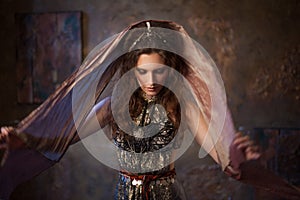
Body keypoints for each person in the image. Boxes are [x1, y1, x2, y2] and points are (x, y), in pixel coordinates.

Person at [0, 20, 299, 200]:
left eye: (160, 72)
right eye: (144, 73)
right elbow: (65, 136)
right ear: (133, 71)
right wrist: (23, 140)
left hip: (167, 195)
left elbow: (219, 155)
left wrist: (235, 160)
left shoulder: (183, 106)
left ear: (171, 70)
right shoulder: (111, 107)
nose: (152, 81)